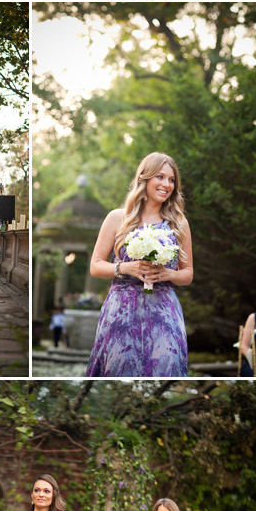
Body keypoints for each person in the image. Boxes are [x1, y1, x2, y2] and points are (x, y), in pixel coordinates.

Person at [85, 152, 192, 377]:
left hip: (164, 310)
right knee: (119, 370)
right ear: (145, 178)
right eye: (160, 177)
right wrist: (124, 268)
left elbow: (188, 273)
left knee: (166, 365)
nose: (167, 185)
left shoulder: (179, 223)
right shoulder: (117, 218)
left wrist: (168, 274)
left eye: (172, 180)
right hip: (122, 309)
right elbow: (95, 266)